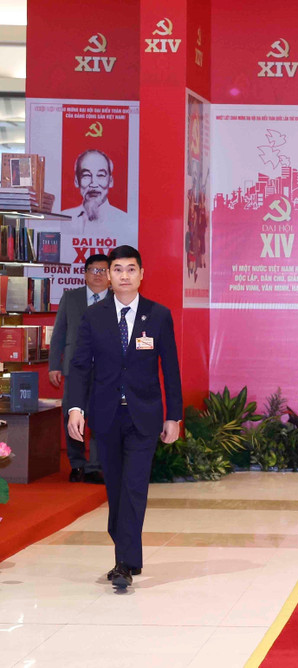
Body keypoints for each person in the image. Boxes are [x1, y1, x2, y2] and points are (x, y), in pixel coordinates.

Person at [67, 245, 183, 590]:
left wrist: (174, 416)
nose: (124, 276)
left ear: (141, 274)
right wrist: (76, 408)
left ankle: (122, 564)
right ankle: (129, 555)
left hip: (144, 417)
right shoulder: (94, 316)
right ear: (108, 276)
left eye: (131, 269)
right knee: (116, 489)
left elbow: (171, 370)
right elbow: (79, 367)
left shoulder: (158, 315)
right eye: (117, 270)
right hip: (105, 416)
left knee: (134, 487)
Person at [49, 253, 111, 484]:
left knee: (100, 417)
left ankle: (94, 466)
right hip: (75, 368)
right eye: (93, 270)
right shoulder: (71, 298)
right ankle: (77, 464)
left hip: (107, 370)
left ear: (111, 275)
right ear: (85, 274)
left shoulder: (118, 299)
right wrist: (54, 365)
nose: (98, 275)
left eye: (103, 270)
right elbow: (59, 334)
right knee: (72, 415)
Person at [61, 149, 130, 228]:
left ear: (110, 181)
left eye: (100, 175)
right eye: (86, 175)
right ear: (76, 181)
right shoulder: (63, 219)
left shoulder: (124, 221)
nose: (93, 184)